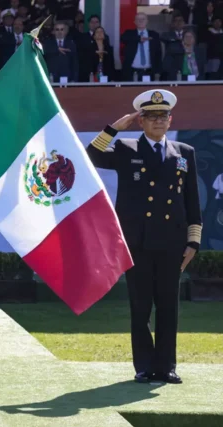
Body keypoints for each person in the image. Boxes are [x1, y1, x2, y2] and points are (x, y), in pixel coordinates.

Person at [85, 89, 202, 384]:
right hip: (136, 242)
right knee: (140, 306)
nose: (159, 121)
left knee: (168, 306)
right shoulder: (126, 148)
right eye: (151, 116)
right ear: (141, 121)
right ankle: (144, 366)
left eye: (163, 116)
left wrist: (193, 241)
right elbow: (91, 155)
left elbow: (192, 201)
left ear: (170, 119)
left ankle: (166, 366)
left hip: (172, 243)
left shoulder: (184, 152)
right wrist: (114, 128)